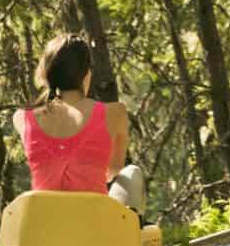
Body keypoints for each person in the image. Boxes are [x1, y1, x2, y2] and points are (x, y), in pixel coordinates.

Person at [12, 33, 145, 213]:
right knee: (132, 175)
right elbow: (113, 170)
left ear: (47, 72)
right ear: (86, 74)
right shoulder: (116, 113)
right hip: (93, 227)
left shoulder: (22, 118)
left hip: (42, 231)